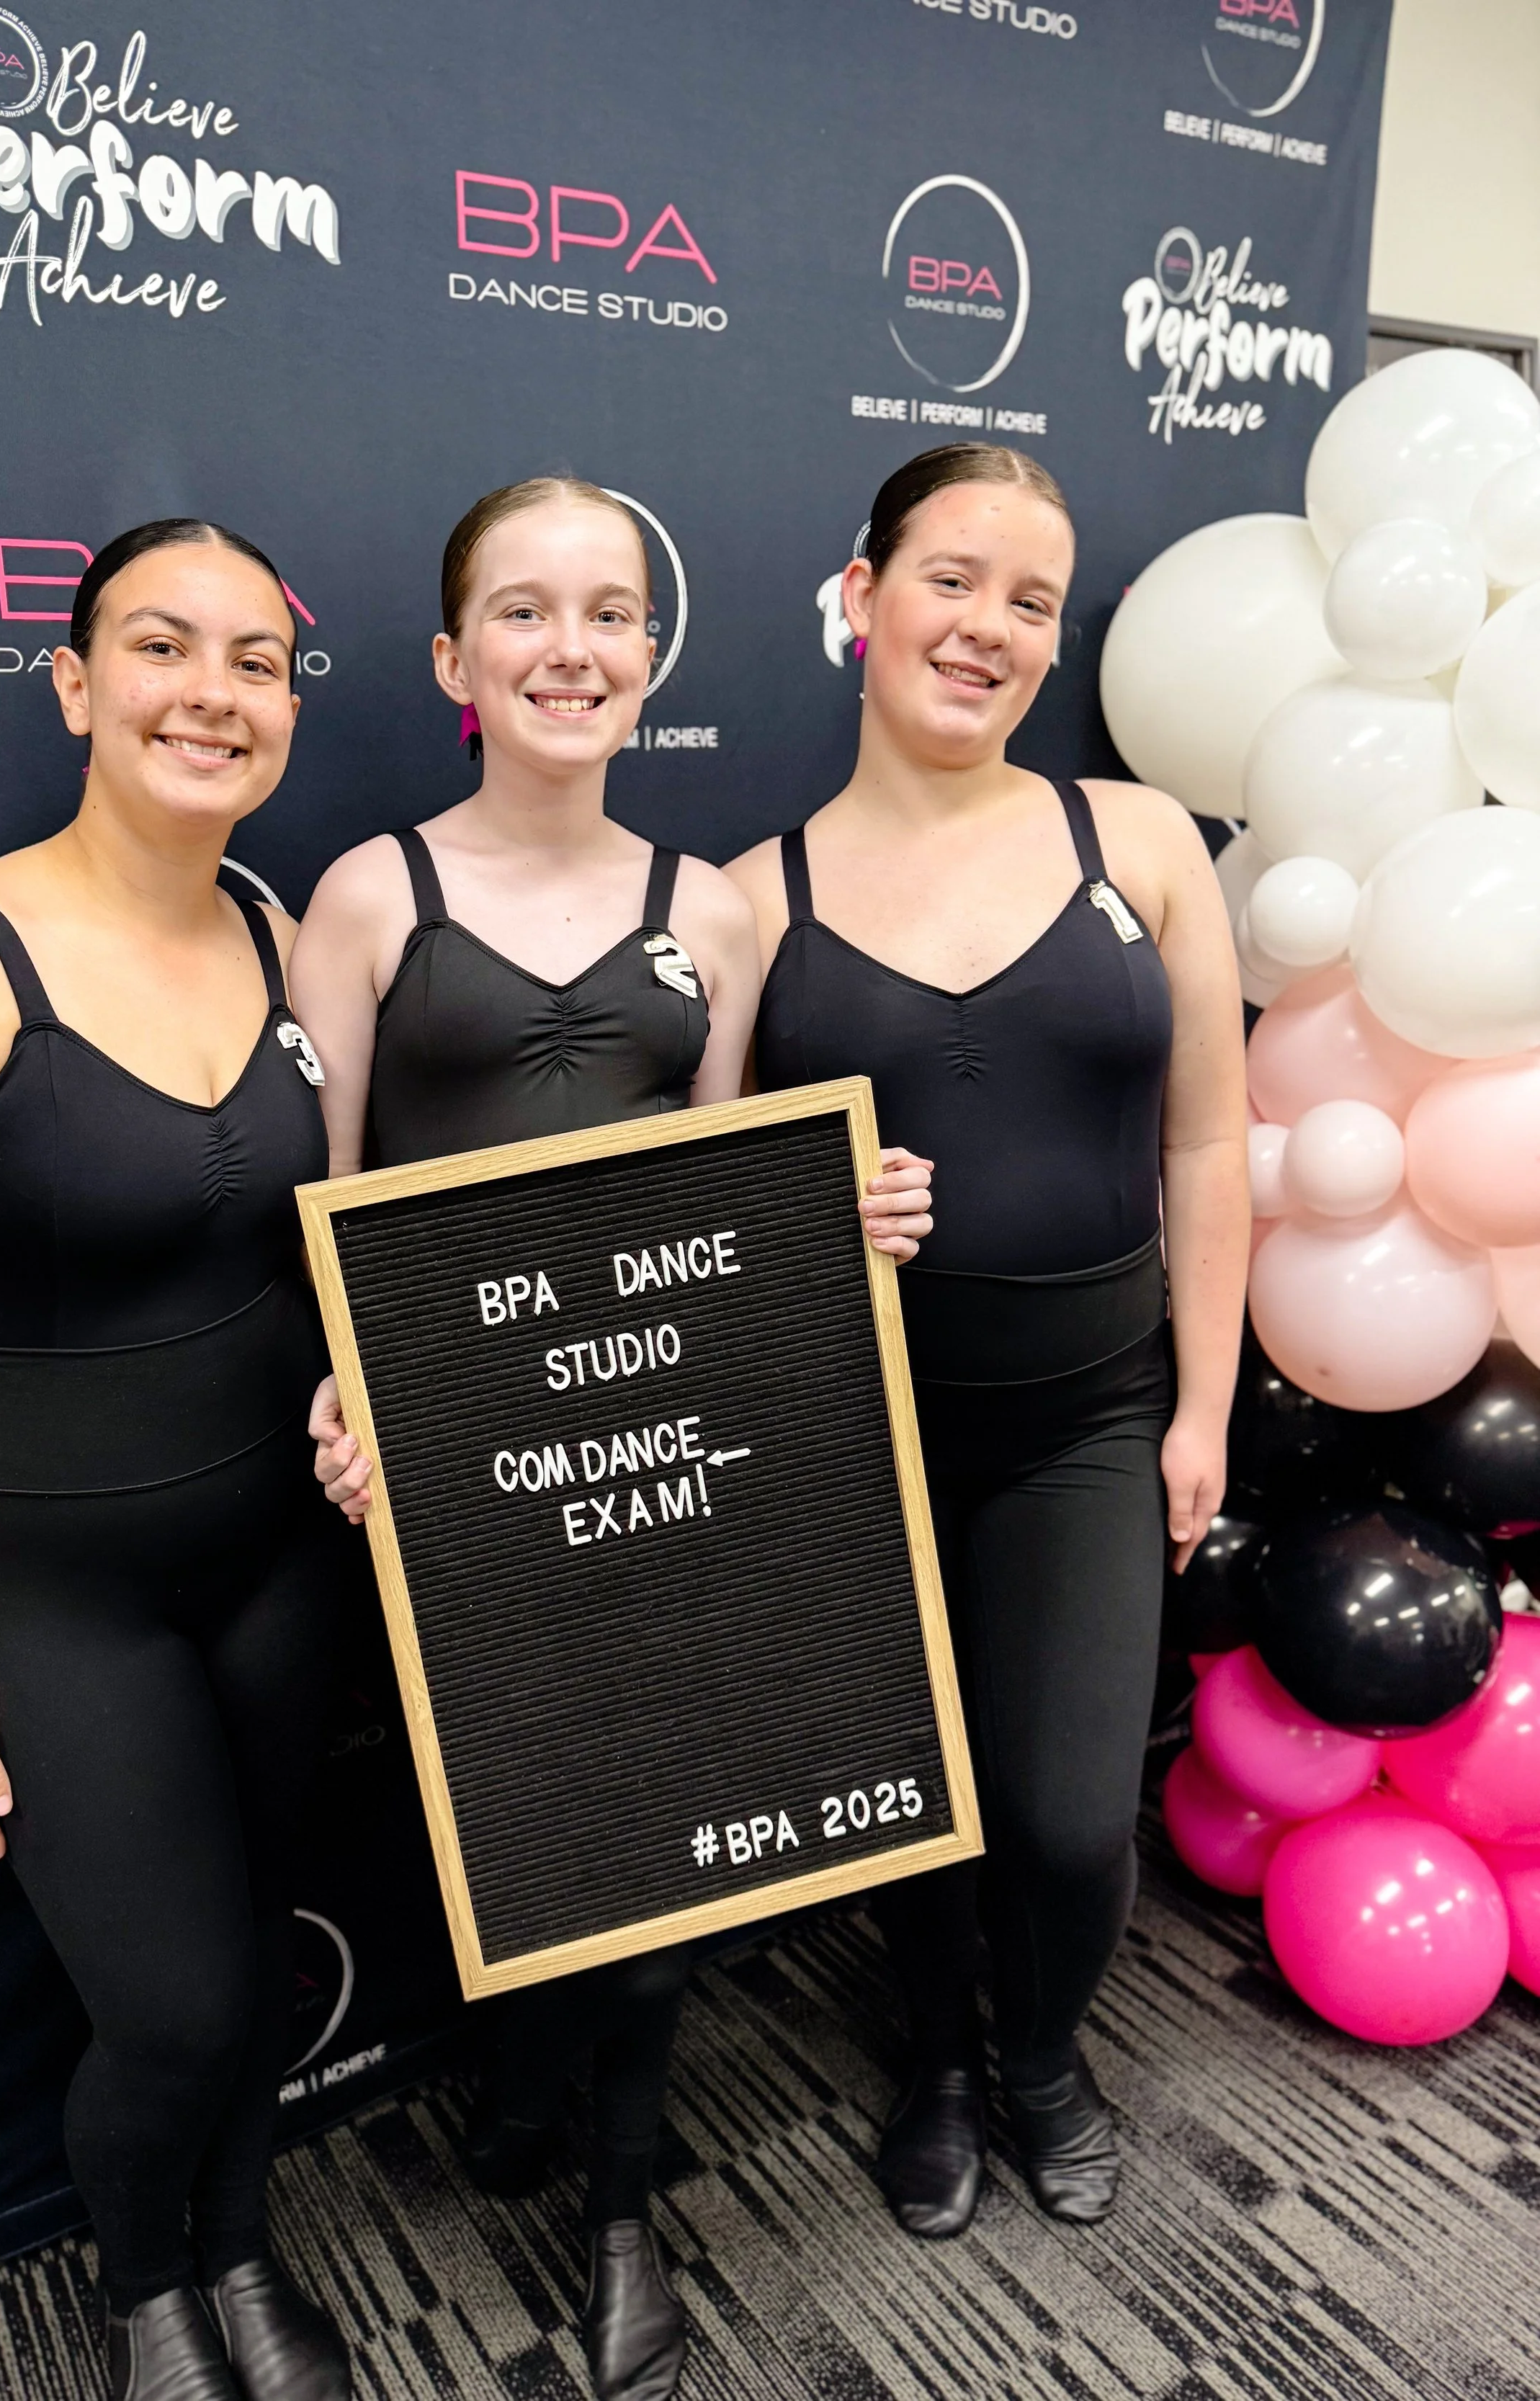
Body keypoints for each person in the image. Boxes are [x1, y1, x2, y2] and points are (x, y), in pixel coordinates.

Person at [290, 475, 930, 2401]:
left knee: (663, 1839)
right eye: (522, 612)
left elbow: (718, 1209)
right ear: (451, 660)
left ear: (650, 656)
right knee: (498, 1808)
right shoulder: (368, 895)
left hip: (665, 1461)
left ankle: (627, 2202)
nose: (568, 646)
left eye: (606, 612)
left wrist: (845, 1219)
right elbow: (317, 1210)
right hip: (458, 1474)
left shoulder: (710, 910)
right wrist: (350, 1394)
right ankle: (515, 2071)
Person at [0, 522, 358, 2401]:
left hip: (279, 1558)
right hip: (50, 1596)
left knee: (259, 1957)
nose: (212, 692)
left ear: (287, 701)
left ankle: (246, 2243)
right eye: (162, 647)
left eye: (254, 662)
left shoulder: (274, 929)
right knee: (174, 2006)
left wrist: (364, 1386)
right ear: (77, 683)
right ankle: (143, 2283)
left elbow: (308, 1247)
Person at [728, 444, 1248, 2240]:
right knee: (912, 1799)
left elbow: (1200, 1139)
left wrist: (1201, 1408)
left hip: (1092, 1419)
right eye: (952, 580)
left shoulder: (1144, 843)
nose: (989, 629)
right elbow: (691, 1219)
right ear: (859, 595)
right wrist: (802, 1215)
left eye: (1031, 601)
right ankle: (936, 2056)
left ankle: (1041, 2049)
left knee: (1063, 1817)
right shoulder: (749, 898)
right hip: (853, 1431)